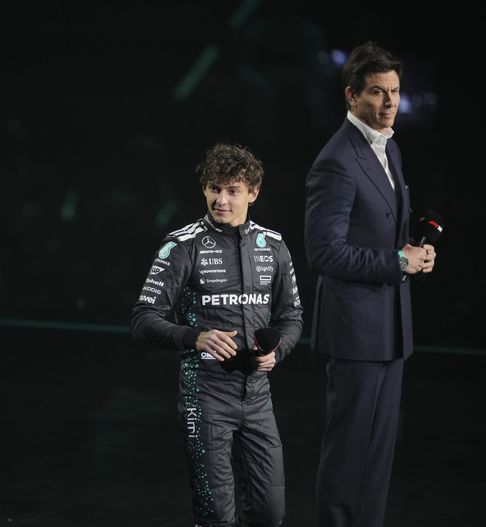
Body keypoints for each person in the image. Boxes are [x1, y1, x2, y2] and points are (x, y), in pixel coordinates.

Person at [132, 143, 303, 526]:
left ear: (253, 193)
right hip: (205, 397)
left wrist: (278, 352)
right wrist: (195, 337)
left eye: (232, 191)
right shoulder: (182, 245)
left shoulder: (273, 246)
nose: (220, 200)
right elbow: (143, 318)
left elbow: (292, 316)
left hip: (258, 399)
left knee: (270, 514)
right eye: (214, 188)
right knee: (217, 517)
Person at [305, 41, 437, 527]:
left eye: (395, 91)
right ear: (351, 95)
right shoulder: (336, 161)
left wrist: (414, 253)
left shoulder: (390, 148)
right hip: (356, 333)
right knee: (349, 456)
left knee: (377, 459)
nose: (389, 102)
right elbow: (324, 253)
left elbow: (382, 232)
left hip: (389, 328)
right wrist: (397, 261)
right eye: (377, 92)